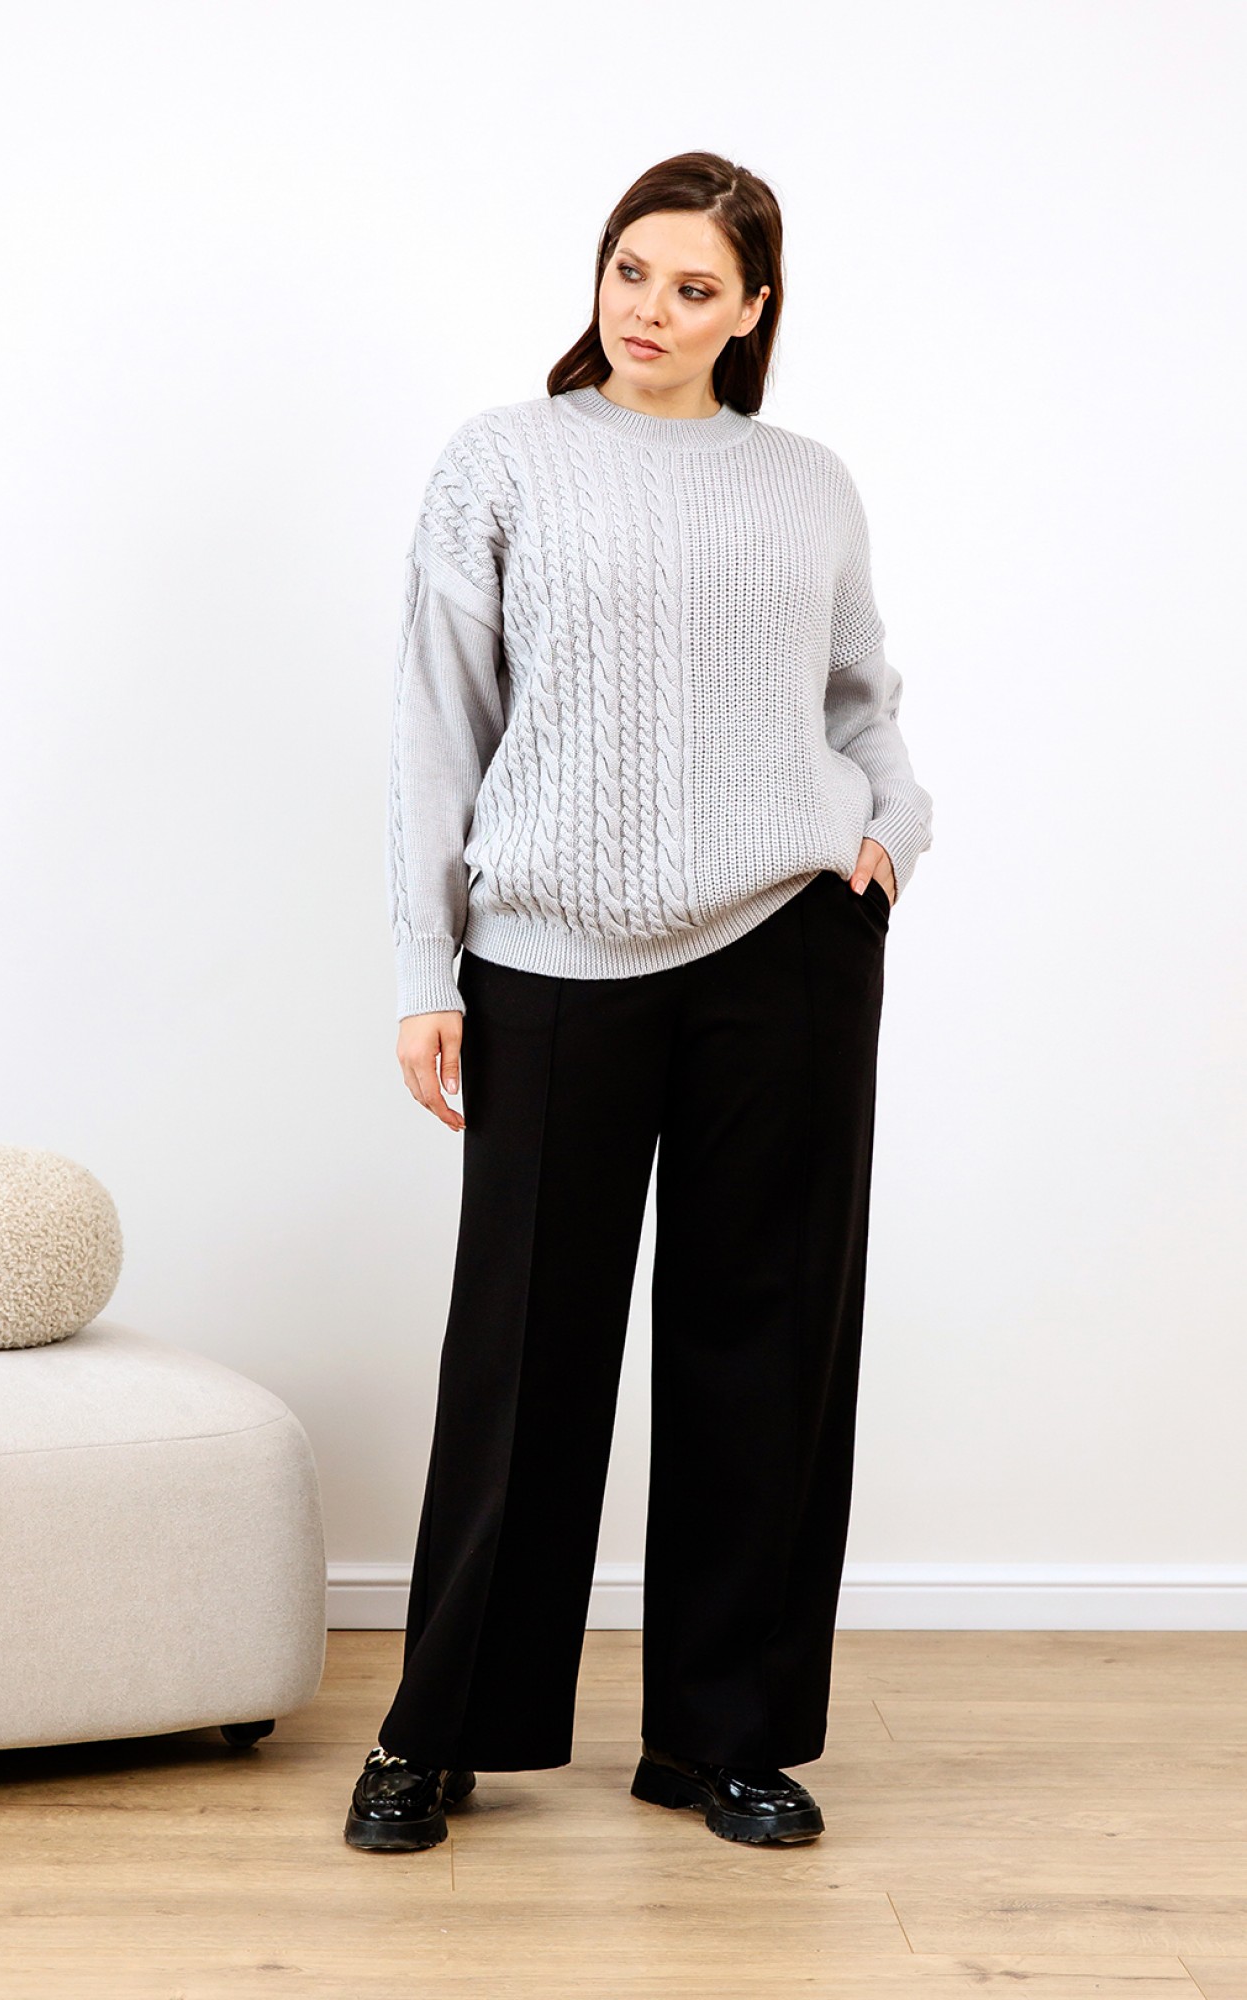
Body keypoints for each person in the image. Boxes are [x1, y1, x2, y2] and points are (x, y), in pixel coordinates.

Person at [345, 149, 934, 1855]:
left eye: (693, 288)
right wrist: (423, 965)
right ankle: (440, 1730)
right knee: (523, 1348)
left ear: (752, 309)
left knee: (767, 1340)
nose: (651, 310)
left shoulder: (804, 483)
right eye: (630, 272)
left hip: (786, 944)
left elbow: (858, 699)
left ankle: (721, 1738)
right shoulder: (503, 461)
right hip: (548, 954)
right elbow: (435, 727)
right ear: (597, 275)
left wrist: (891, 827)